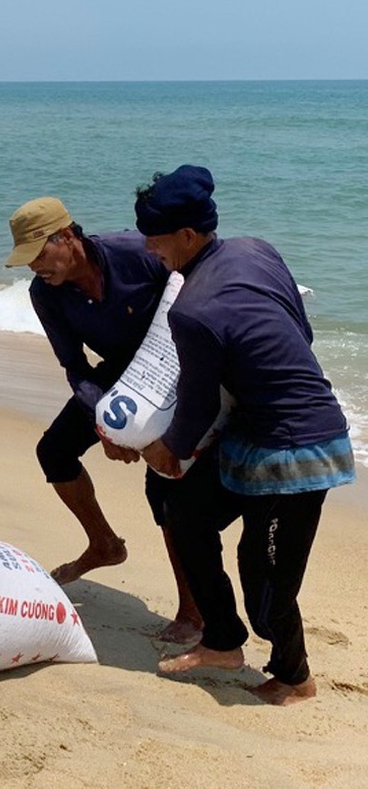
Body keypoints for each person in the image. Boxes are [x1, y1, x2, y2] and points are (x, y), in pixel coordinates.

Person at [134, 165, 356, 705]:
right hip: (251, 435)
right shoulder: (257, 249)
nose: (150, 250)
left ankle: (295, 676)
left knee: (266, 583)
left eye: (156, 239)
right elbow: (299, 327)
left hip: (300, 448)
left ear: (188, 236)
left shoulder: (194, 310)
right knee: (185, 513)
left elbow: (199, 402)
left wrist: (166, 448)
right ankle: (223, 641)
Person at [5, 196, 202, 643]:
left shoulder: (136, 253)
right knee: (54, 451)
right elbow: (75, 366)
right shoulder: (45, 294)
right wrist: (106, 424)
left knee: (164, 482)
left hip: (175, 363)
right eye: (27, 259)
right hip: (119, 372)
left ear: (68, 236)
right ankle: (104, 545)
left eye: (39, 253)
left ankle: (191, 611)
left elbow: (196, 285)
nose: (35, 266)